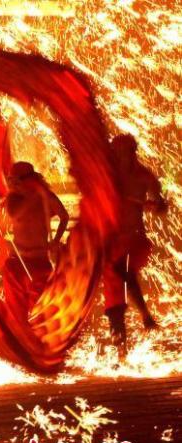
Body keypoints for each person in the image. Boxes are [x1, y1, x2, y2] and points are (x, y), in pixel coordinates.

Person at [103, 134, 167, 357]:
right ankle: (120, 349)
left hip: (134, 239)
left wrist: (156, 206)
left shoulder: (144, 176)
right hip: (111, 242)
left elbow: (160, 205)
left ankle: (145, 315)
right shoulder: (108, 175)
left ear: (132, 152)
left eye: (124, 151)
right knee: (114, 297)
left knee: (124, 269)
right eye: (116, 151)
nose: (119, 155)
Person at [0, 161, 68, 321]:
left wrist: (56, 240)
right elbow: (15, 214)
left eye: (16, 181)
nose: (13, 185)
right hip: (17, 263)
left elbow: (64, 216)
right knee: (16, 315)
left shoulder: (45, 197)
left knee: (41, 313)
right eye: (10, 181)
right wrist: (33, 196)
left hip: (39, 263)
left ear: (29, 180)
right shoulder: (13, 199)